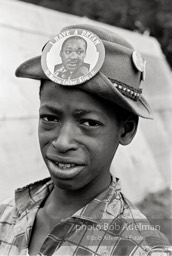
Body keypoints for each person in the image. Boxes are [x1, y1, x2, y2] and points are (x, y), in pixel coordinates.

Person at [0, 24, 171, 256]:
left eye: (89, 123)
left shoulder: (141, 249)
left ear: (126, 130)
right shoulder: (7, 217)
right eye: (50, 118)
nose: (62, 142)